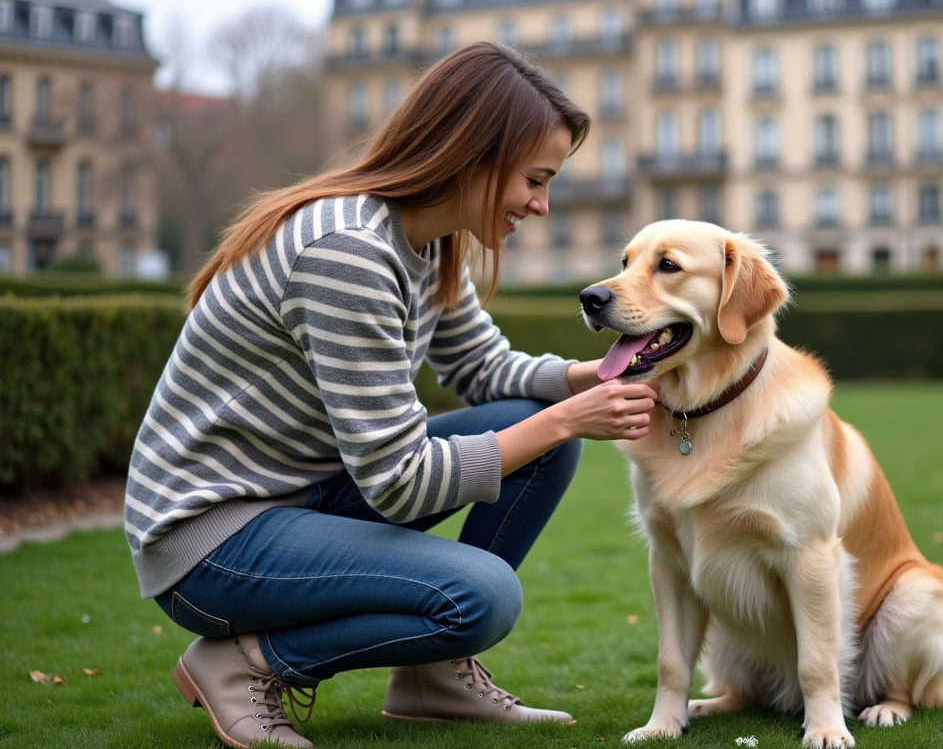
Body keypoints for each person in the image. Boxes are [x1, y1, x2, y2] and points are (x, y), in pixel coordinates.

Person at [124, 42, 657, 749]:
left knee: (537, 432)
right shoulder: (347, 252)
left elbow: (484, 366)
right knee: (484, 594)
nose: (541, 204)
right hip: (214, 539)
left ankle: (431, 677)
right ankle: (245, 663)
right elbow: (400, 482)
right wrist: (566, 421)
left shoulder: (431, 240)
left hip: (307, 496)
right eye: (534, 179)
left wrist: (590, 378)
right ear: (473, 155)